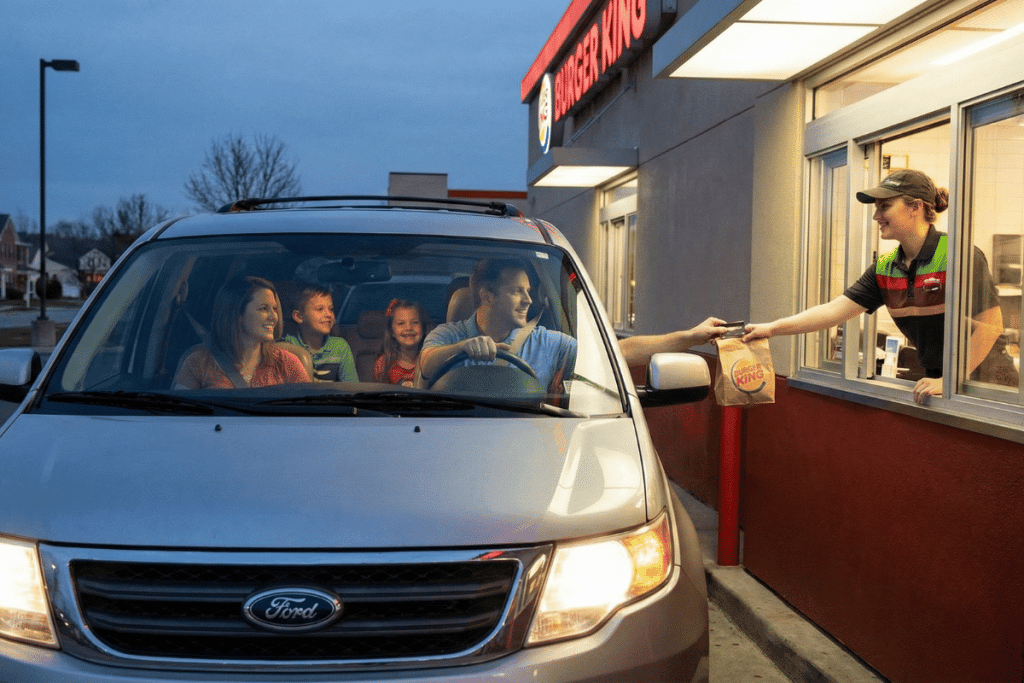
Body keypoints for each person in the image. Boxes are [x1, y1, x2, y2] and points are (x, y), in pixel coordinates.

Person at [742, 168, 1017, 405]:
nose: (876, 216)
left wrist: (952, 379)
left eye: (884, 206)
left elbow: (990, 326)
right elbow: (833, 311)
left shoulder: (959, 254)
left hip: (985, 383)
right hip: (939, 381)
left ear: (915, 207)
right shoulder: (886, 267)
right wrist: (772, 328)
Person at [419, 258, 728, 390]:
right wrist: (463, 348)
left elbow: (617, 353)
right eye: (516, 291)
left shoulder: (547, 342)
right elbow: (428, 364)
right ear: (487, 295)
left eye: (529, 291)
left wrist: (691, 336)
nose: (528, 300)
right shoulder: (449, 334)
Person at [174, 276, 311, 389]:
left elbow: (307, 413)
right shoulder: (198, 363)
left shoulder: (286, 362)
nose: (274, 317)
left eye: (274, 309)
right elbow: (176, 416)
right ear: (238, 314)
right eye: (264, 309)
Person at [283, 284, 358, 382]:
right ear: (299, 316)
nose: (328, 314)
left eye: (331, 309)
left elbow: (351, 387)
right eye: (320, 309)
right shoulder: (288, 346)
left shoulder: (339, 347)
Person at [374, 299, 430, 387]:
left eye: (415, 322)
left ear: (423, 329)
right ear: (392, 331)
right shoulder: (384, 364)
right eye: (401, 323)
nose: (408, 328)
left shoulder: (431, 361)